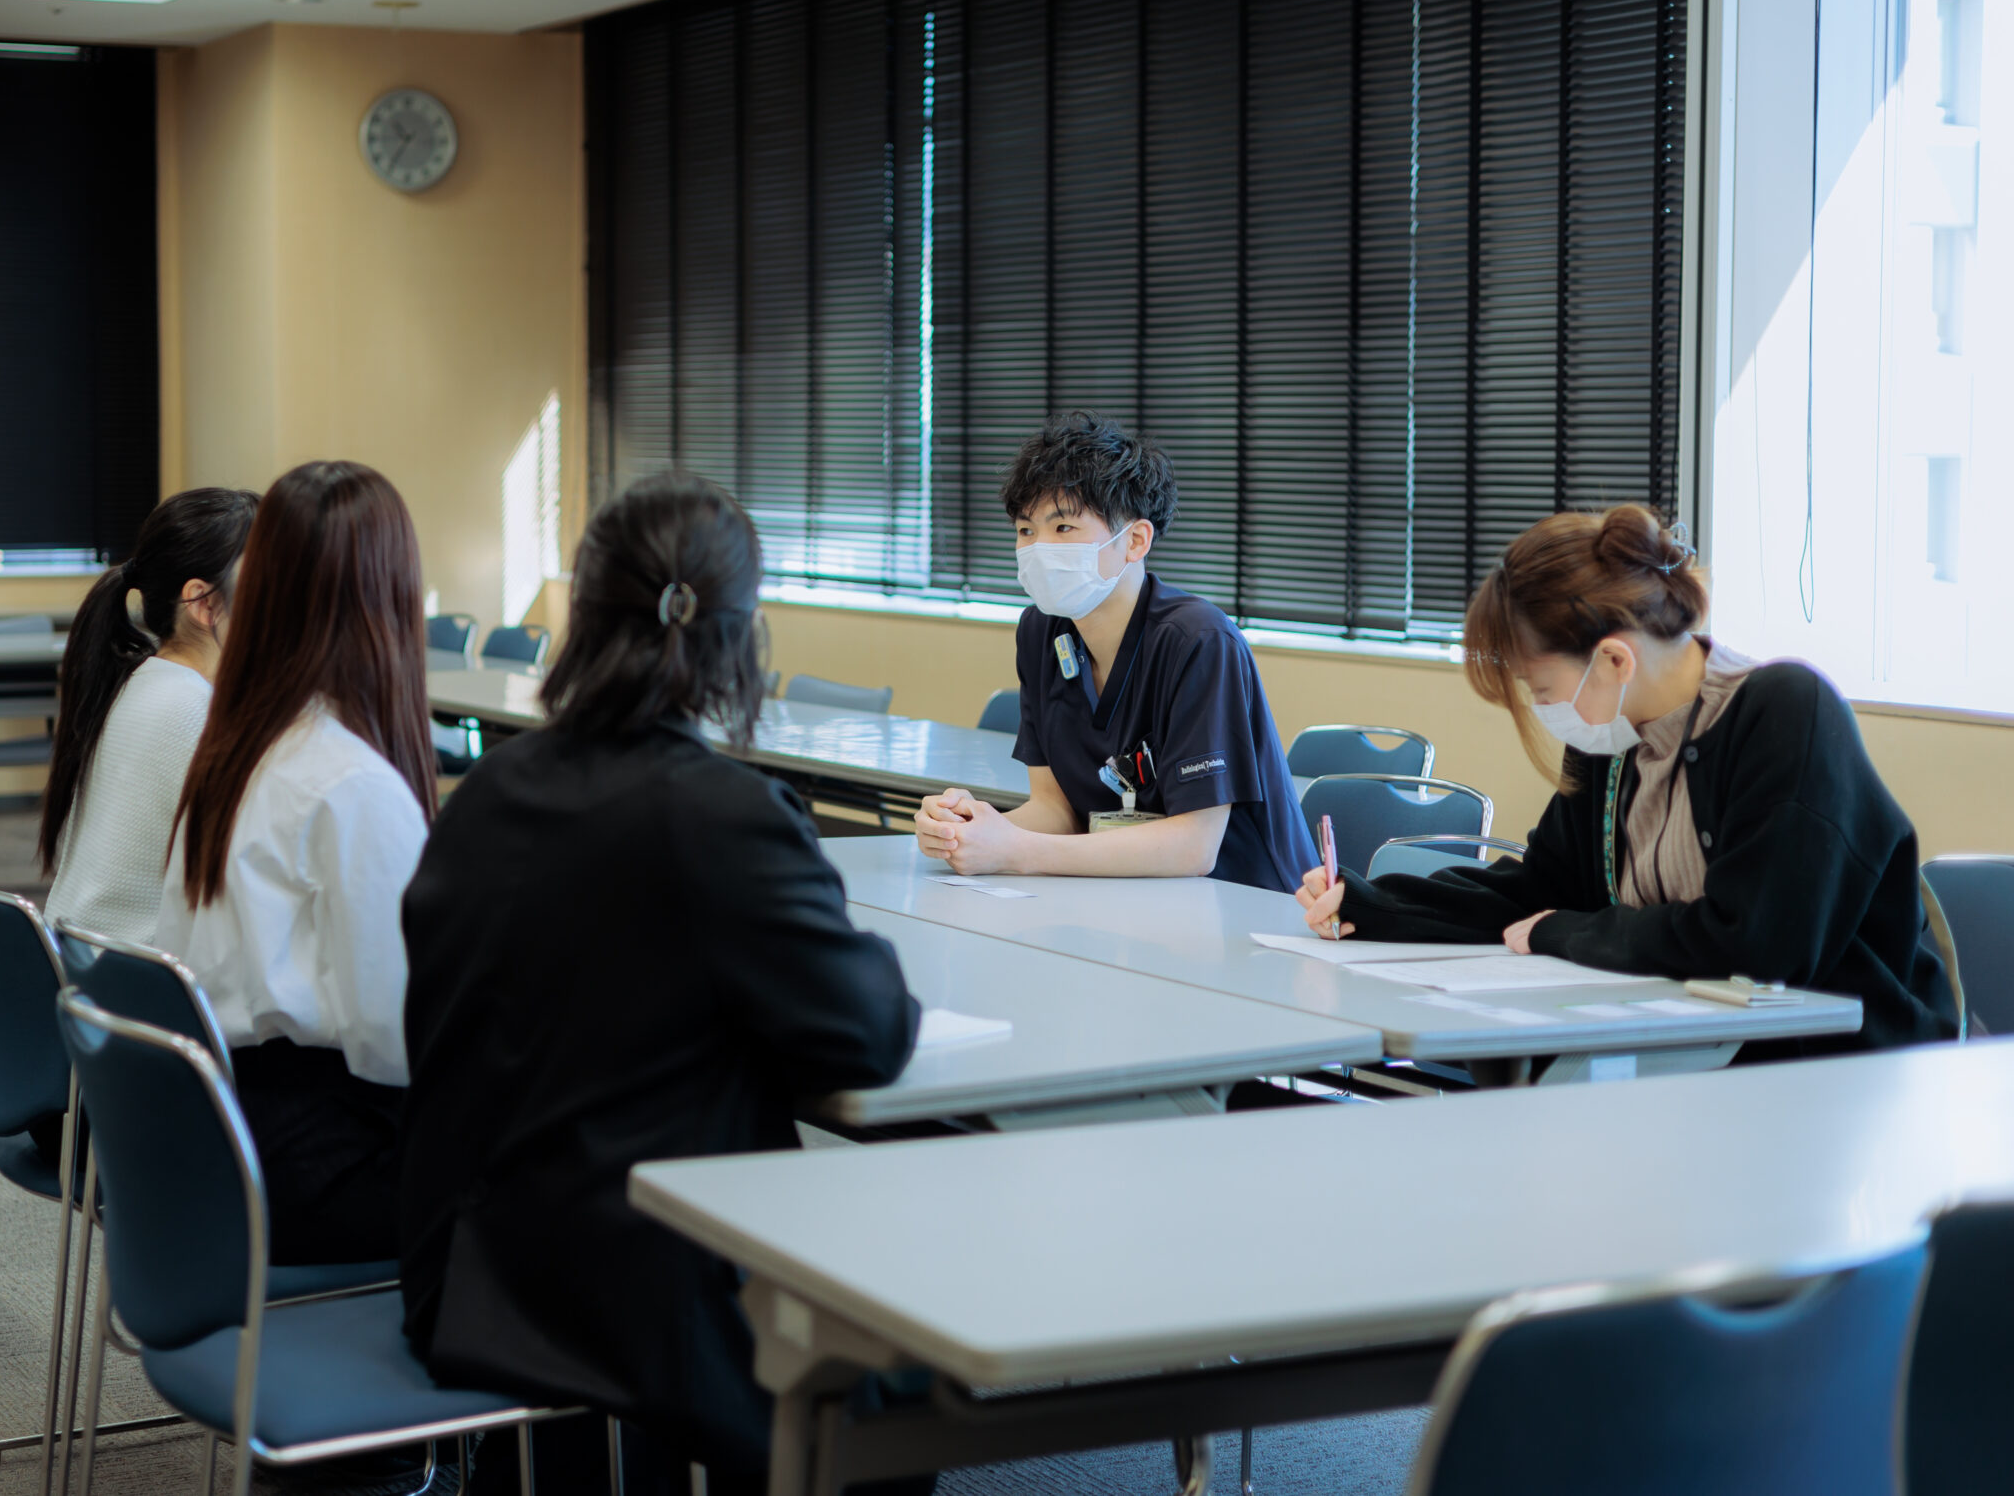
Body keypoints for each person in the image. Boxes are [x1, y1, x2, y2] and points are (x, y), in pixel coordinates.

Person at [396, 472, 921, 1493]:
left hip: (463, 1266)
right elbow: (868, 1034)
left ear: (583, 620)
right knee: (901, 1371)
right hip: (631, 1294)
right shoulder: (725, 817)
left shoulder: (488, 790)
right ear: (741, 639)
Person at [1296, 503, 1957, 1060]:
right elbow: (1535, 892)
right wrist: (1370, 904)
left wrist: (1564, 932)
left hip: (1845, 1069)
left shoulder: (1785, 712)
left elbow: (1755, 946)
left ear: (1614, 659)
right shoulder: (1611, 741)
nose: (1544, 709)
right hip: (1693, 1057)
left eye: (1542, 688)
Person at [150, 461, 435, 1264]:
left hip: (218, 1137)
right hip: (312, 1168)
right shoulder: (351, 782)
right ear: (392, 599)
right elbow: (396, 1042)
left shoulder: (234, 750)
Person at [915, 410, 1313, 891]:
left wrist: (1015, 851)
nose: (1038, 548)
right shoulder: (1041, 631)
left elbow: (1194, 846)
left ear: (1135, 541)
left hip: (1249, 903)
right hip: (1128, 894)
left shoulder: (1198, 640)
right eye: (1025, 531)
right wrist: (968, 830)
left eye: (1063, 528)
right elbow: (1056, 811)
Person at [40, 486, 258, 944]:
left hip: (82, 963)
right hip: (135, 975)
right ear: (204, 603)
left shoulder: (137, 682)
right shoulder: (193, 712)